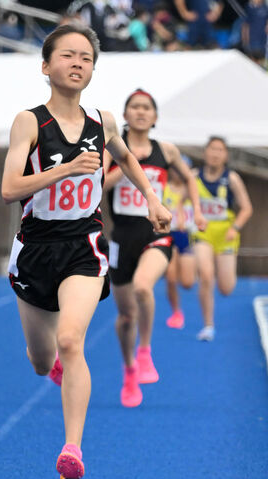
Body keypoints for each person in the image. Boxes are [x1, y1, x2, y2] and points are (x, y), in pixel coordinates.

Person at [1, 25, 171, 479]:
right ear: (45, 66)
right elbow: (9, 188)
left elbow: (129, 159)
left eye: (86, 58)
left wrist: (153, 199)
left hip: (85, 246)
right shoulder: (29, 122)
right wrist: (67, 171)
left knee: (72, 340)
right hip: (36, 249)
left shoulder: (104, 121)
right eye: (68, 55)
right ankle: (52, 365)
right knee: (41, 361)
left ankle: (72, 449)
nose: (78, 63)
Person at [103, 89, 206, 408]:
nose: (141, 112)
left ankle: (145, 352)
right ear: (125, 114)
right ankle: (129, 368)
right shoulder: (112, 149)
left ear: (155, 117)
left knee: (144, 289)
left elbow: (190, 180)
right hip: (121, 237)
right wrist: (128, 165)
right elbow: (98, 185)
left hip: (156, 233)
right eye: (134, 107)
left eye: (147, 107)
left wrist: (197, 210)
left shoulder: (167, 150)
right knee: (125, 316)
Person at [192, 136, 253, 341]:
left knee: (226, 288)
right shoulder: (194, 176)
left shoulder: (232, 178)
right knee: (206, 275)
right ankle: (208, 325)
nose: (215, 154)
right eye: (212, 149)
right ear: (205, 152)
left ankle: (219, 276)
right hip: (203, 232)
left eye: (220, 150)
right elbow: (180, 197)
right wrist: (183, 217)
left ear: (225, 155)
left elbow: (246, 208)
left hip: (226, 234)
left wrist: (235, 228)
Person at [163, 165, 196, 329]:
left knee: (188, 282)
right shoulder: (164, 188)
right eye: (175, 169)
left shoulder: (191, 189)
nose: (178, 173)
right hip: (170, 235)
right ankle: (176, 311)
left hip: (186, 236)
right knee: (170, 277)